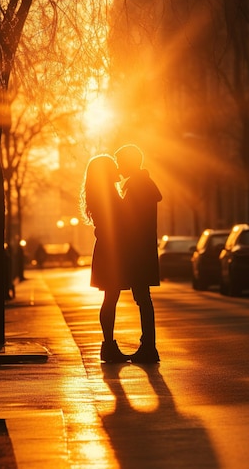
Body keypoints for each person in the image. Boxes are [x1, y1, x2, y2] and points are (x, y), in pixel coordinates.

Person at [114, 144, 163, 363]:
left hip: (137, 250)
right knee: (143, 298)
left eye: (120, 162)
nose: (118, 167)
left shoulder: (136, 186)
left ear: (130, 162)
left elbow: (126, 219)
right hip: (144, 249)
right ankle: (148, 345)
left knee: (142, 298)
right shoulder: (143, 184)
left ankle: (149, 347)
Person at [80, 154, 130, 363]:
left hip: (106, 249)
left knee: (110, 298)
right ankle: (108, 346)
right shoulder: (107, 195)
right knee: (110, 298)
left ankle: (108, 345)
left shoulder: (99, 193)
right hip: (111, 251)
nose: (117, 169)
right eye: (113, 166)